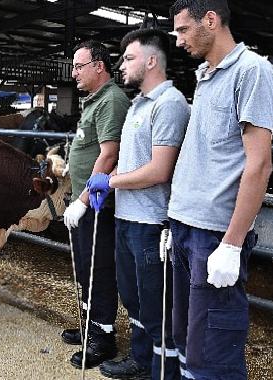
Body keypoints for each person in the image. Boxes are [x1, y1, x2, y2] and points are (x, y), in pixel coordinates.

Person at [168, 1, 273, 379]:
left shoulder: (252, 72)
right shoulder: (206, 75)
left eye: (182, 30)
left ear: (210, 20)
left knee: (212, 352)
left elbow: (259, 164)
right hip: (185, 227)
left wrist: (231, 243)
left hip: (214, 234)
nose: (177, 40)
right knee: (186, 340)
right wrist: (176, 217)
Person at [86, 29, 189, 379]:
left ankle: (164, 370)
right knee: (133, 297)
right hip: (127, 217)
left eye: (128, 58)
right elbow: (130, 162)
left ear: (151, 60)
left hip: (151, 223)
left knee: (157, 304)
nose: (122, 65)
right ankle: (143, 359)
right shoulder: (137, 105)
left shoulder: (170, 103)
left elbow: (159, 170)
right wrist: (109, 181)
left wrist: (109, 181)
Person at [61, 40, 130, 369]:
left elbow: (109, 154)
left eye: (78, 65)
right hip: (83, 201)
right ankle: (90, 327)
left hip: (99, 205)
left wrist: (84, 201)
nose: (73, 72)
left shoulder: (112, 101)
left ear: (99, 66)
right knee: (85, 268)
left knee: (98, 269)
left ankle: (103, 338)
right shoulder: (93, 101)